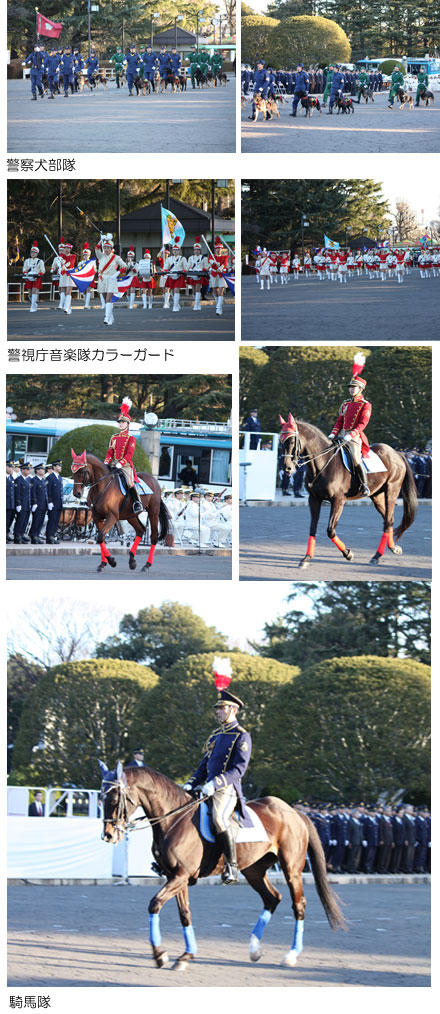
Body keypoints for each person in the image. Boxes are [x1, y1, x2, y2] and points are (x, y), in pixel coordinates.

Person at [183, 687, 252, 884]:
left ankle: (232, 866)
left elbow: (239, 769)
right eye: (218, 708)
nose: (218, 712)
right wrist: (190, 783)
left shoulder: (241, 736)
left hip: (226, 789)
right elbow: (204, 765)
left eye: (222, 708)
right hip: (207, 786)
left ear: (233, 710)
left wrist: (216, 783)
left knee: (219, 819)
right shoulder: (214, 736)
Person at [328, 353, 371, 496]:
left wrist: (351, 435)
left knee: (355, 458)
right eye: (350, 387)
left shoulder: (365, 405)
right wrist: (333, 433)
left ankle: (364, 485)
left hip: (355, 436)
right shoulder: (345, 403)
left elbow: (363, 423)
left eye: (354, 387)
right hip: (341, 434)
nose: (351, 389)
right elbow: (340, 420)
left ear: (360, 389)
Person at [104, 397, 143, 515]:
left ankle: (137, 503)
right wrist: (106, 462)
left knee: (130, 482)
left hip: (125, 465)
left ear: (128, 424)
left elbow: (129, 454)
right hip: (113, 464)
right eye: (120, 422)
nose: (121, 424)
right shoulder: (114, 437)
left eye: (123, 422)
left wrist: (121, 463)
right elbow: (110, 451)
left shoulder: (131, 438)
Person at [95, 233, 127, 326]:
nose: (106, 249)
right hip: (102, 279)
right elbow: (97, 249)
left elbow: (124, 266)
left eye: (108, 248)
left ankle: (106, 317)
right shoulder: (101, 256)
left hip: (111, 279)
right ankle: (110, 316)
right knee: (105, 299)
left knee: (109, 298)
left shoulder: (116, 257)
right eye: (104, 248)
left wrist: (117, 273)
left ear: (111, 249)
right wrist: (101, 240)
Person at [45, 459, 64, 544]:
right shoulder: (50, 477)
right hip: (52, 503)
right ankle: (49, 536)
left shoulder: (59, 478)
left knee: (56, 521)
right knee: (51, 520)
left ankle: (53, 535)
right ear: (54, 467)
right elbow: (48, 490)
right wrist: (49, 501)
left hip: (59, 503)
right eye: (59, 466)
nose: (60, 467)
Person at [29, 462, 48, 544]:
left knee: (41, 521)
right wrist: (34, 503)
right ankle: (33, 536)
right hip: (37, 504)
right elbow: (32, 492)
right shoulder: (34, 480)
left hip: (43, 504)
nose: (43, 471)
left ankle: (37, 535)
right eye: (42, 469)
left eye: (44, 469)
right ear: (37, 471)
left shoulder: (43, 480)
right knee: (36, 520)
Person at [23, 242, 45, 313]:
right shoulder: (27, 261)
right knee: (29, 293)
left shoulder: (40, 261)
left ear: (37, 253)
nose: (33, 253)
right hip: (29, 277)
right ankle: (34, 303)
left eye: (34, 252)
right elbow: (24, 269)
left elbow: (43, 270)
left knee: (34, 291)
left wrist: (39, 274)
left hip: (36, 278)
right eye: (32, 252)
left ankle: (32, 306)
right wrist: (25, 273)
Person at [13, 461, 32, 544]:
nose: (28, 471)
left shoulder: (28, 480)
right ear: (22, 470)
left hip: (27, 504)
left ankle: (21, 534)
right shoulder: (18, 480)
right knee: (20, 520)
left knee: (25, 521)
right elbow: (17, 493)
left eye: (29, 469)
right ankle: (17, 536)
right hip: (21, 504)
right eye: (27, 469)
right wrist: (18, 504)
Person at [6, 460, 16, 542]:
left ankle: (6, 534)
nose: (11, 469)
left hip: (10, 504)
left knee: (9, 521)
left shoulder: (11, 478)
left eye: (12, 467)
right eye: (9, 467)